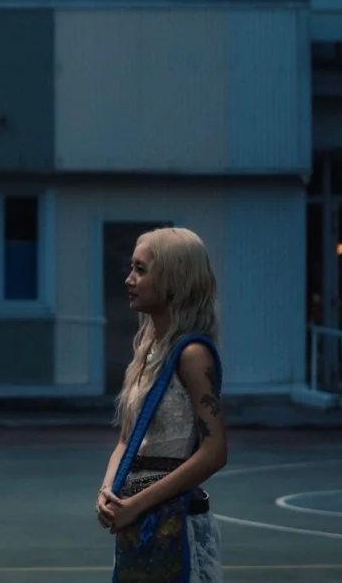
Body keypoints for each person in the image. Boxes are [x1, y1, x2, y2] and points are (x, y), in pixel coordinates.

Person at [96, 227, 227, 582]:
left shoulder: (192, 355)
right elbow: (127, 440)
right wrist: (108, 491)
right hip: (138, 522)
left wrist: (136, 504)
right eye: (131, 268)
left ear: (173, 282)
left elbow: (215, 451)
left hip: (176, 523)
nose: (129, 279)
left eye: (141, 270)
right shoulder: (148, 352)